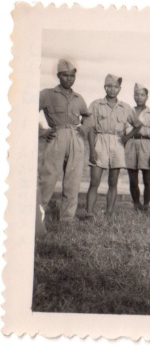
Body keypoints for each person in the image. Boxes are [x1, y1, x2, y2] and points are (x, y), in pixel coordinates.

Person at [37, 58, 92, 233]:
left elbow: (88, 116)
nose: (69, 79)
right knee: (48, 177)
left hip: (75, 137)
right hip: (57, 135)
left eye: (72, 76)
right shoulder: (47, 94)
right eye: (65, 75)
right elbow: (27, 110)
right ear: (58, 75)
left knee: (73, 180)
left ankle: (67, 218)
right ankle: (38, 216)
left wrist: (84, 128)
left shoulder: (78, 97)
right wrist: (42, 132)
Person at [85, 74, 142, 218]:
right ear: (105, 87)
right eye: (109, 86)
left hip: (117, 142)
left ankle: (109, 213)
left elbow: (137, 124)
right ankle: (89, 213)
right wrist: (92, 149)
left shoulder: (125, 107)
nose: (112, 89)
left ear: (120, 89)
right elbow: (90, 128)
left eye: (115, 87)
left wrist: (127, 137)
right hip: (100, 140)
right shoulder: (96, 104)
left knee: (113, 181)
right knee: (94, 181)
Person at [124, 83, 150, 212]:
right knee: (133, 178)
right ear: (133, 96)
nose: (139, 97)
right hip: (131, 144)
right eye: (136, 95)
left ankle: (146, 205)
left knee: (147, 177)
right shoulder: (128, 112)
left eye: (142, 95)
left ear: (147, 97)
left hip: (146, 144)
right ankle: (136, 203)